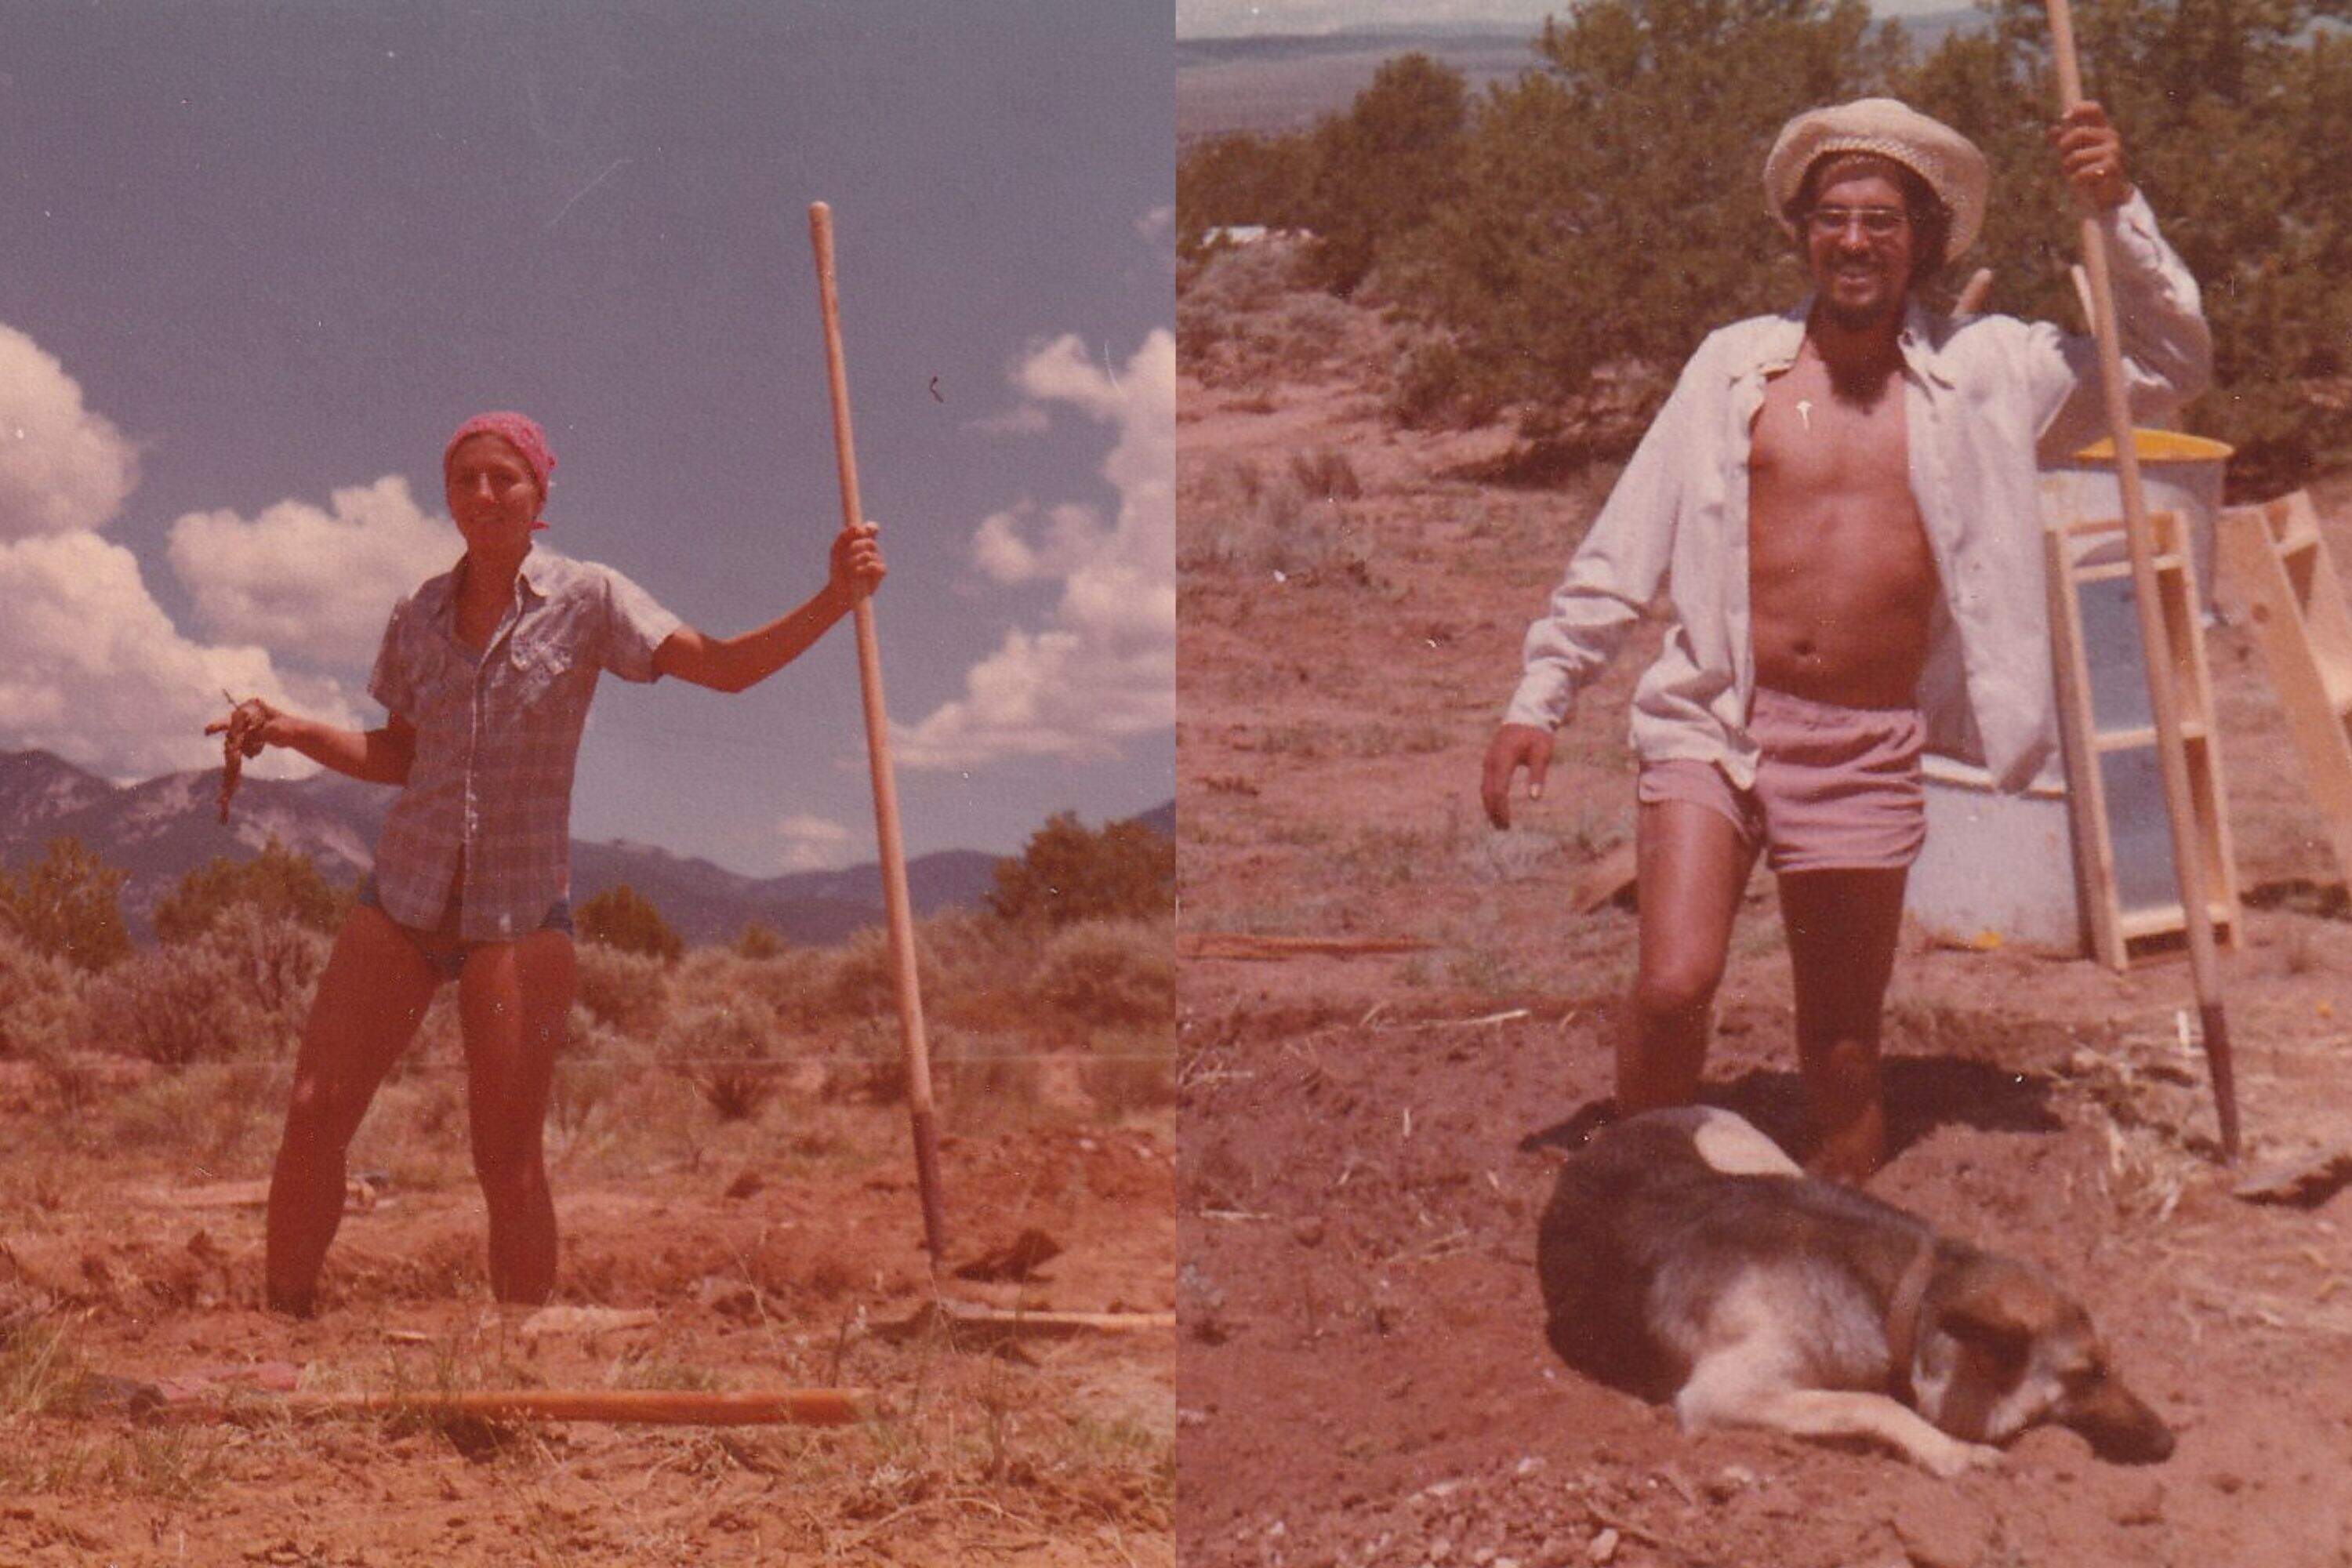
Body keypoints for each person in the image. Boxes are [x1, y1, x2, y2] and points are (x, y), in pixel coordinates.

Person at [1479, 99, 2210, 1181]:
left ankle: (1840, 1278)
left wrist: (2115, 207)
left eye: (1881, 219)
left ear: (1922, 237)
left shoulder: (1995, 374)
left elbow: (2167, 359)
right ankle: (1632, 1198)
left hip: (1865, 742)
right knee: (1676, 984)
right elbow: (1625, 543)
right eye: (1832, 217)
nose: (1856, 241)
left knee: (1842, 1060)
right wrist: (1539, 698)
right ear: (1801, 232)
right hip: (1714, 722)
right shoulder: (1735, 369)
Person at [223, 411, 884, 1316]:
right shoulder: (416, 614)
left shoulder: (590, 599)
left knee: (505, 1152)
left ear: (540, 495)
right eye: (467, 480)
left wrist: (833, 598)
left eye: (506, 478)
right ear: (448, 497)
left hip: (520, 917)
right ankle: (284, 1324)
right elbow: (399, 756)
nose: (485, 495)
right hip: (405, 900)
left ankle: (519, 1353)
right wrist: (294, 728)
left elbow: (726, 669)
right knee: (313, 1108)